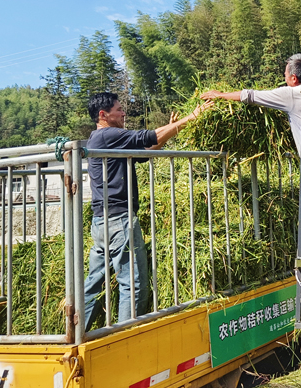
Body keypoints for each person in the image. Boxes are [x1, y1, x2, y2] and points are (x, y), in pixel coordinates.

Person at [202, 54, 301, 293]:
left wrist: (219, 96)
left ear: (292, 78)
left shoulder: (294, 94)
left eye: (284, 77)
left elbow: (250, 96)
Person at [83, 92, 211, 330]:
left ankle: (77, 332)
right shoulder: (109, 134)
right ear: (103, 115)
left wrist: (173, 128)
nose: (123, 113)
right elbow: (147, 136)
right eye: (119, 109)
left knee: (93, 282)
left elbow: (146, 149)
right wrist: (191, 118)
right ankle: (123, 337)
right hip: (119, 220)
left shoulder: (100, 139)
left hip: (101, 221)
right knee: (132, 283)